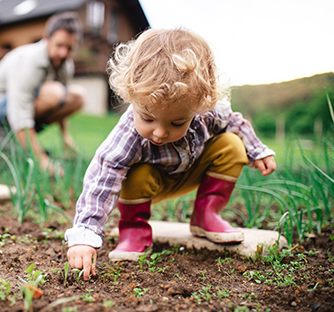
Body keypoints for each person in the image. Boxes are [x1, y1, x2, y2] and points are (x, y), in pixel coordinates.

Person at [65, 28, 276, 281]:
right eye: (147, 118)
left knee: (231, 144)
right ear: (132, 97)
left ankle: (206, 214)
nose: (160, 132)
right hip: (148, 185)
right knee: (133, 172)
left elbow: (235, 122)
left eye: (177, 122)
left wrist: (257, 150)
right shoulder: (128, 133)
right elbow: (102, 176)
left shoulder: (205, 111)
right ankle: (133, 229)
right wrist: (85, 234)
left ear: (198, 105)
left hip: (191, 171)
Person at [0, 11, 85, 173]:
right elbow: (20, 110)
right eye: (59, 45)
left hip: (26, 104)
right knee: (54, 92)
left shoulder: (66, 64)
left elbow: (63, 103)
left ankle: (18, 141)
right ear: (46, 39)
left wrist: (65, 137)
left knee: (77, 97)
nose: (63, 53)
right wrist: (41, 159)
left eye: (69, 48)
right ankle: (9, 138)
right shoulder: (29, 61)